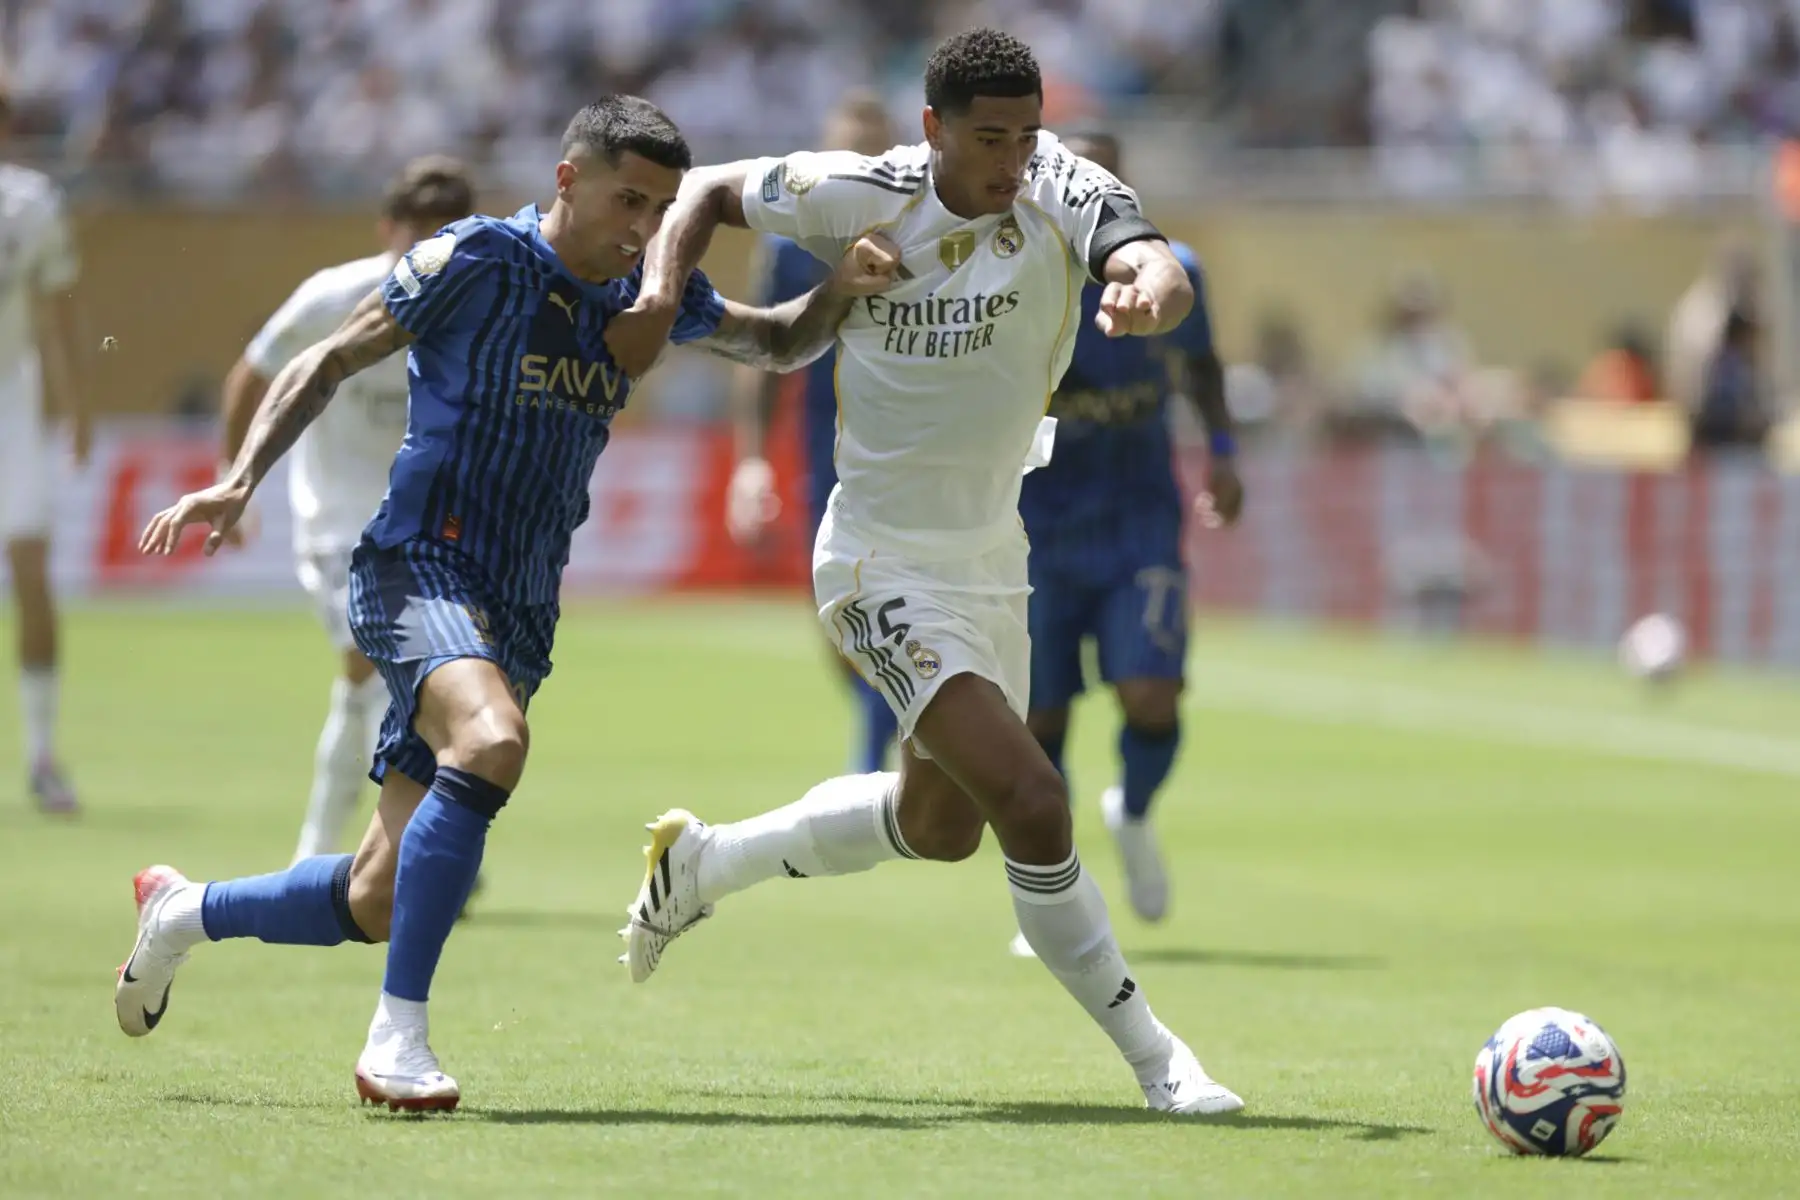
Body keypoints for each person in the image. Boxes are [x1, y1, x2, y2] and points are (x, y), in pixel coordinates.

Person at [114, 95, 902, 1113]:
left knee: (375, 896)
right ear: (568, 179)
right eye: (627, 198)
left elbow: (778, 342)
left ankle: (184, 912)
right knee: (492, 744)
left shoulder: (648, 290)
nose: (642, 224)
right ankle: (397, 1041)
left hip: (520, 606)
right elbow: (330, 357)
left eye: (661, 208)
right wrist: (240, 478)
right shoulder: (480, 259)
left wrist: (840, 289)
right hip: (416, 566)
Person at [611, 30, 1243, 1116]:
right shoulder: (857, 191)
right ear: (933, 131)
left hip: (995, 562)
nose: (1011, 159)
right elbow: (709, 190)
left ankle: (704, 865)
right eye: (988, 137)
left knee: (941, 826)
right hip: (875, 561)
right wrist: (663, 286)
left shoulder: (1062, 186)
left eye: (1026, 134)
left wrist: (1149, 295)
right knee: (1034, 801)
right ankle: (1160, 1061)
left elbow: (1153, 260)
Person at [1008, 130, 1243, 959]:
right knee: (1037, 720)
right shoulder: (1018, 272)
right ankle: (1056, 893)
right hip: (1033, 522)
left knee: (1151, 692)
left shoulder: (1174, 268)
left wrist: (1222, 454)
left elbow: (1203, 366)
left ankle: (1134, 814)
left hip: (1139, 512)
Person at [218, 156, 476, 866]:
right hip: (335, 520)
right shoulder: (333, 297)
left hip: (424, 527)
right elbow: (252, 373)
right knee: (371, 667)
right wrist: (232, 478)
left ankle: (379, 852)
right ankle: (350, 852)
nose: (427, 254)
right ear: (386, 230)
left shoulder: (475, 304)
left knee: (398, 684)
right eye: (415, 237)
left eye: (446, 237)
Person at [727, 90, 900, 774]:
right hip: (826, 447)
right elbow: (764, 353)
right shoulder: (791, 242)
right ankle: (877, 722)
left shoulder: (921, 229)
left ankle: (876, 756)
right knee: (835, 609)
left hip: (912, 447)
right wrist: (751, 463)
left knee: (899, 593)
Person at [0, 88, 85, 814]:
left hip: (9, 401)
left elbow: (56, 316)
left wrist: (75, 410)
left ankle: (40, 753)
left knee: (31, 570)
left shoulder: (28, 204)